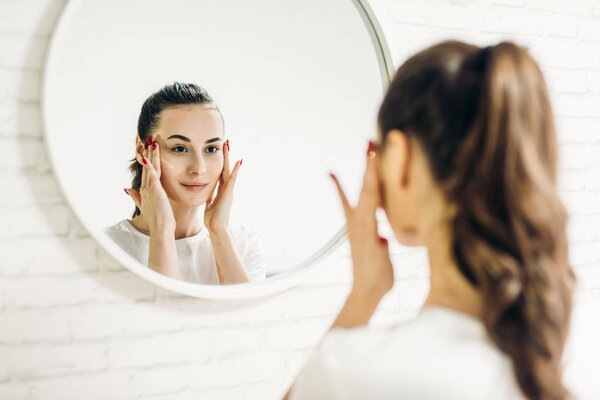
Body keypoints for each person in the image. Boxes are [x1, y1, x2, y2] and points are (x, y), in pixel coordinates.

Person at [284, 40, 576, 400]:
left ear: (400, 159)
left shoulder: (351, 374)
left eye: (379, 151)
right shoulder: (549, 363)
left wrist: (364, 293)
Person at [105, 82, 266, 284]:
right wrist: (162, 231)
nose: (199, 168)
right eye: (180, 148)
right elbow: (164, 313)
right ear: (141, 149)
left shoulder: (243, 244)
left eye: (211, 149)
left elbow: (246, 315)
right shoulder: (106, 248)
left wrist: (218, 231)